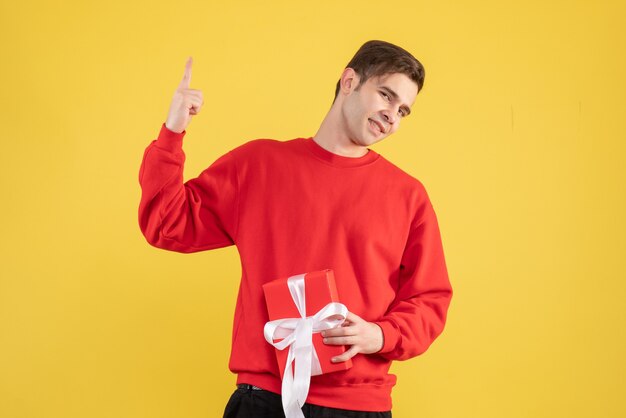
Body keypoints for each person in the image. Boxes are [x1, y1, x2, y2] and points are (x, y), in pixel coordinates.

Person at [138, 40, 453, 418]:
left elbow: (430, 298)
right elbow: (167, 223)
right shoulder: (259, 165)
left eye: (403, 110)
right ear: (349, 80)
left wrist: (381, 335)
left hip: (358, 405)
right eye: (385, 95)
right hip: (263, 400)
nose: (392, 115)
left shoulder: (408, 196)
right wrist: (173, 131)